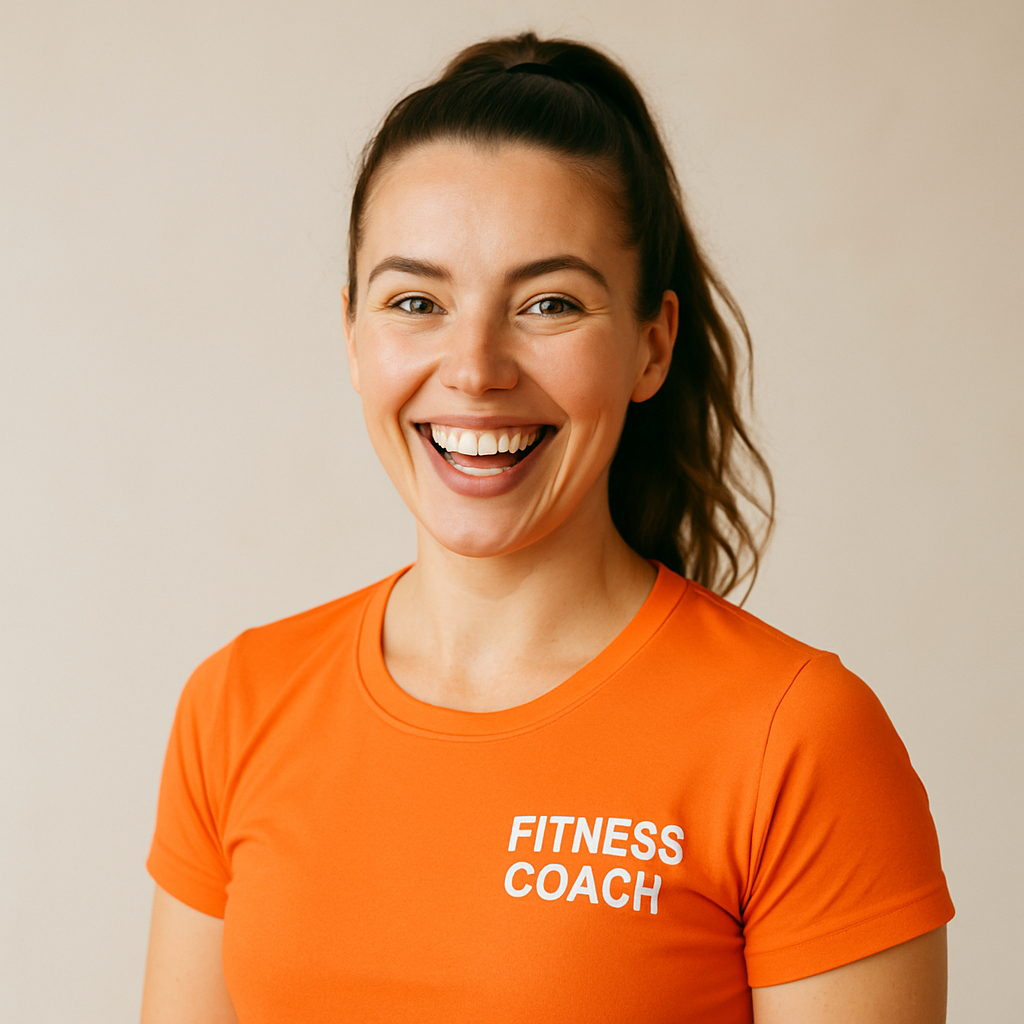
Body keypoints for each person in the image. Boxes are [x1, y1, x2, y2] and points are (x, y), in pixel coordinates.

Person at [140, 31, 953, 1024]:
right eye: (416, 300)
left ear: (650, 347)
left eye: (548, 303)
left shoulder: (797, 739)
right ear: (352, 335)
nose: (475, 367)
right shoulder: (236, 706)